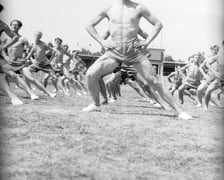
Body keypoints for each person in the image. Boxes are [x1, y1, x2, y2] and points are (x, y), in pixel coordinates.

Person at [83, 0, 192, 119]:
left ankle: (179, 111)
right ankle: (95, 103)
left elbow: (158, 24)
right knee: (90, 74)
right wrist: (101, 41)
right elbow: (89, 25)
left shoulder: (139, 8)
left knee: (155, 82)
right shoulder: (108, 8)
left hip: (134, 51)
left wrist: (147, 42)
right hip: (114, 51)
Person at [203, 41, 224, 109]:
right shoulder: (218, 57)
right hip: (220, 80)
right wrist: (214, 72)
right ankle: (206, 106)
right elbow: (207, 64)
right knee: (208, 90)